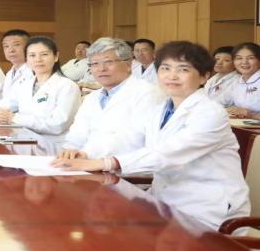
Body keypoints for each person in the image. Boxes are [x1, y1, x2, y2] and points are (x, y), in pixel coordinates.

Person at [54, 41, 250, 231]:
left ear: (204, 76)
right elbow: (131, 136)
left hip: (207, 208)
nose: (172, 76)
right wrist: (84, 155)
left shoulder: (211, 113)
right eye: (165, 68)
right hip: (165, 201)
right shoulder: (162, 109)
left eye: (183, 69)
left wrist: (105, 162)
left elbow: (168, 153)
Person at [58, 37, 165, 158]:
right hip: (85, 162)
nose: (101, 69)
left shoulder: (148, 94)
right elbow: (76, 135)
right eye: (95, 63)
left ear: (128, 64)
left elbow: (134, 139)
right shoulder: (92, 98)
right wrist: (68, 152)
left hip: (123, 166)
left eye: (108, 62)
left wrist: (86, 154)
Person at [0, 36, 81, 135]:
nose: (38, 59)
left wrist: (14, 118)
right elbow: (4, 104)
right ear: (26, 59)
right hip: (22, 138)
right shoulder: (23, 84)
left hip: (52, 142)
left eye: (44, 54)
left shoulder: (68, 86)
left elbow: (57, 125)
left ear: (56, 56)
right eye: (32, 55)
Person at [224, 42, 260, 120]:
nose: (244, 62)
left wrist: (252, 116)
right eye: (239, 58)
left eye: (250, 58)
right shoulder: (236, 82)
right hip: (240, 124)